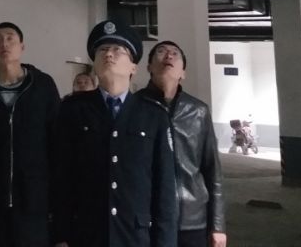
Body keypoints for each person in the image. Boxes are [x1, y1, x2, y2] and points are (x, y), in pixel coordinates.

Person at [53, 20, 177, 247]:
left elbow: (165, 189)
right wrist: (61, 235)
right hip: (86, 233)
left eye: (118, 50)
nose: (109, 54)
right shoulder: (73, 110)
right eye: (102, 50)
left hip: (135, 235)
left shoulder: (153, 115)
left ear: (133, 68)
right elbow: (62, 176)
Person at [0, 22, 60, 247]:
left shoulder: (42, 86)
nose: (4, 43)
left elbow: (57, 141)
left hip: (33, 200)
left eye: (10, 38)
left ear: (22, 47)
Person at [139, 41, 226, 247]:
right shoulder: (135, 107)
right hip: (147, 219)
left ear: (183, 73)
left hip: (192, 220)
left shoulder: (198, 111)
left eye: (175, 53)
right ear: (149, 67)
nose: (168, 56)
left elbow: (212, 170)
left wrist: (218, 225)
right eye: (161, 52)